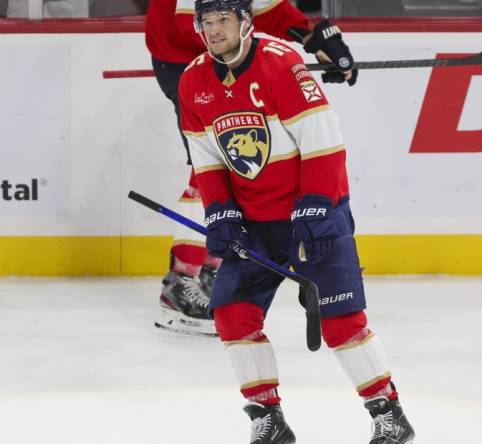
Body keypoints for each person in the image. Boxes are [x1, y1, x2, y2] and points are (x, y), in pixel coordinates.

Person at [178, 1, 414, 442]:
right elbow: (207, 157)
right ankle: (267, 419)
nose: (213, 30)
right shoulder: (193, 80)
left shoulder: (279, 64)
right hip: (255, 224)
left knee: (342, 321)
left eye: (223, 20)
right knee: (232, 314)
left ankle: (389, 413)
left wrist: (316, 205)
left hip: (315, 215)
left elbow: (324, 140)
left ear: (246, 22)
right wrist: (220, 210)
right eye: (206, 22)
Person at [145, 0, 358, 337]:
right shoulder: (210, 34)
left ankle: (203, 273)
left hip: (227, 49)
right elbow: (203, 24)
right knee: (217, 163)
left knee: (235, 162)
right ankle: (182, 281)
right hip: (184, 57)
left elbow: (260, 6)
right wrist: (264, 50)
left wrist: (314, 36)